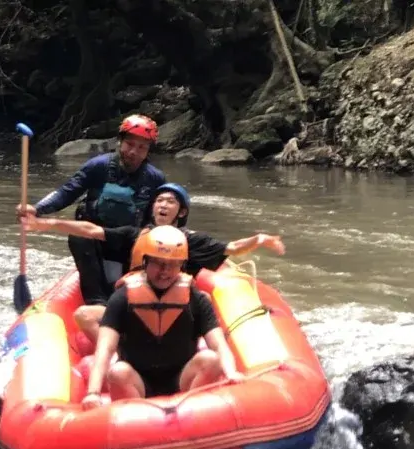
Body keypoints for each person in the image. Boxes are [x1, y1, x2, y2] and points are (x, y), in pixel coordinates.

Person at [20, 182, 285, 341]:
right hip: (132, 309)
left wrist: (259, 239)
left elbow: (232, 248)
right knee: (84, 315)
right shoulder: (134, 235)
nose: (163, 205)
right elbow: (90, 230)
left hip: (174, 311)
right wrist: (46, 224)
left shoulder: (191, 241)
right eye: (159, 200)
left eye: (171, 202)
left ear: (181, 212)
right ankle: (118, 353)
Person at [81, 225, 242, 408]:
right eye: (158, 262)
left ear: (182, 266)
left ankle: (189, 414)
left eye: (172, 264)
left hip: (182, 378)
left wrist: (231, 373)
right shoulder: (122, 297)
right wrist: (93, 393)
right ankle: (138, 422)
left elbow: (218, 344)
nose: (164, 271)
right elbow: (105, 348)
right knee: (118, 371)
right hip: (137, 380)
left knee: (211, 359)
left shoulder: (195, 298)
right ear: (145, 261)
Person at [16, 114, 166, 307]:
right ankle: (96, 302)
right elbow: (67, 192)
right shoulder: (98, 166)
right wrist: (36, 210)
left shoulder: (155, 179)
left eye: (141, 147)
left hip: (129, 243)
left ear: (148, 151)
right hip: (94, 240)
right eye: (129, 144)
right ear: (119, 142)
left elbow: (164, 215)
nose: (133, 152)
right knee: (79, 236)